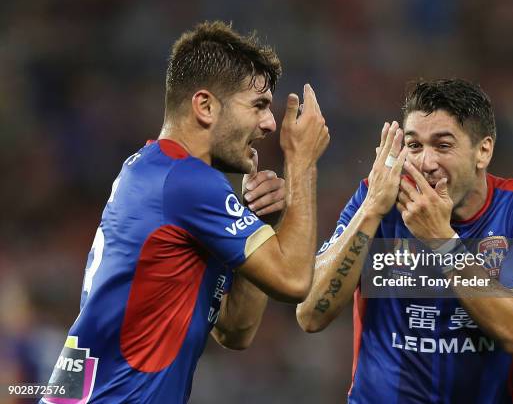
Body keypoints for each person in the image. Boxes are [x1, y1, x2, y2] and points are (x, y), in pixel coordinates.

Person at [42, 21, 329, 403]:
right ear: (205, 106)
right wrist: (303, 163)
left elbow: (235, 331)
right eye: (258, 105)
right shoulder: (185, 180)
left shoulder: (156, 170)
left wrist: (258, 221)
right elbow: (294, 282)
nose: (269, 123)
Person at [297, 79, 513, 403]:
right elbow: (310, 315)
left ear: (483, 150)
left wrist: (442, 240)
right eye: (415, 145)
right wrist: (371, 210)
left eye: (443, 145)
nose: (426, 162)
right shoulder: (376, 197)